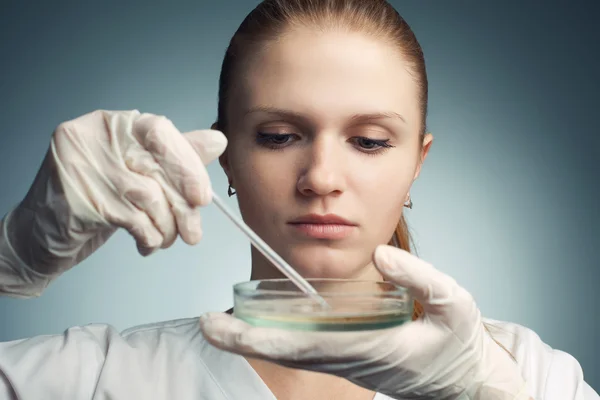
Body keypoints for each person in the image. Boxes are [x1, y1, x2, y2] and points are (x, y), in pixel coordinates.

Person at [0, 0, 597, 399]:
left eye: (368, 141)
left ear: (417, 161)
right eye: (279, 136)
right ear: (224, 156)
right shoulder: (97, 379)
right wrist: (10, 261)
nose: (321, 177)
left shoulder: (533, 377)